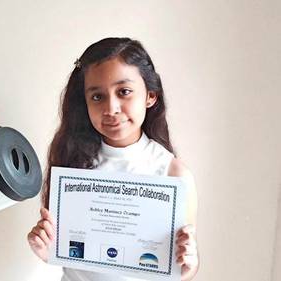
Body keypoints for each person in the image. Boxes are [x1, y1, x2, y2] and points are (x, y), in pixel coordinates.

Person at [27, 37, 199, 281]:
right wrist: (46, 249)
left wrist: (189, 259)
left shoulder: (174, 174)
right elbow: (65, 252)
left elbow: (183, 270)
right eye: (97, 96)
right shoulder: (71, 160)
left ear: (151, 96)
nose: (111, 108)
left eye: (124, 92)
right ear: (84, 103)